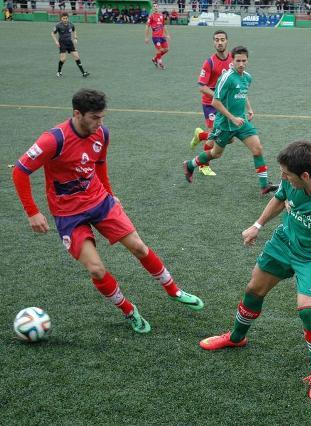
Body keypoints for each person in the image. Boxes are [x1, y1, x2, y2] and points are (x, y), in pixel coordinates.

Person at [198, 140, 311, 400]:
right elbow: (279, 198)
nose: (282, 178)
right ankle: (236, 337)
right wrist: (257, 226)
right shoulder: (289, 183)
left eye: (286, 174)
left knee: (307, 308)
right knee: (254, 289)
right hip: (284, 243)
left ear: (304, 175)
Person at [12, 89, 204, 334]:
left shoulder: (101, 134)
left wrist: (110, 194)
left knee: (138, 247)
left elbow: (100, 165)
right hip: (69, 215)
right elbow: (19, 171)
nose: (100, 123)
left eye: (102, 117)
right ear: (77, 114)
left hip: (100, 202)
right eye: (94, 117)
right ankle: (129, 310)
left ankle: (174, 290)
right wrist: (32, 212)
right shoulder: (53, 139)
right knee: (96, 269)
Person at [183, 46, 278, 196]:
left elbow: (243, 93)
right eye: (238, 61)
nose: (241, 64)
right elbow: (215, 102)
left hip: (242, 122)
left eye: (244, 60)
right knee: (215, 153)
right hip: (225, 124)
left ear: (247, 60)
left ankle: (264, 185)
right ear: (232, 61)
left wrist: (249, 109)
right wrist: (232, 118)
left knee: (257, 149)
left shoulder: (247, 77)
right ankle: (189, 165)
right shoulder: (226, 78)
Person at [188, 30, 233, 177]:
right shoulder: (209, 62)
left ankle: (200, 135)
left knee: (230, 138)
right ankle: (203, 165)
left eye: (222, 39)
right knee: (214, 138)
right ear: (213, 42)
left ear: (227, 41)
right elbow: (202, 86)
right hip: (211, 104)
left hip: (226, 105)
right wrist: (217, 96)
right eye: (216, 40)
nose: (219, 42)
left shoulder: (233, 60)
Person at [51, 12, 90, 78]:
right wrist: (56, 41)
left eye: (66, 18)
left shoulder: (71, 24)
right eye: (63, 18)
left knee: (77, 57)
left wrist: (75, 38)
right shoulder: (58, 25)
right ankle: (59, 72)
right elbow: (52, 33)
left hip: (70, 43)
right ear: (61, 18)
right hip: (62, 43)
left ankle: (83, 73)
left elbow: (74, 31)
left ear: (68, 18)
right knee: (63, 59)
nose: (65, 19)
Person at [145, 2, 171, 70]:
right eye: (154, 6)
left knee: (166, 49)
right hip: (155, 37)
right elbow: (147, 27)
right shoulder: (151, 16)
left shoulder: (161, 15)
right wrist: (146, 37)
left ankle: (154, 59)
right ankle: (160, 63)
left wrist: (167, 34)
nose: (155, 7)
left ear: (158, 7)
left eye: (156, 6)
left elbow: (164, 25)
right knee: (160, 50)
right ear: (153, 8)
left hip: (162, 36)